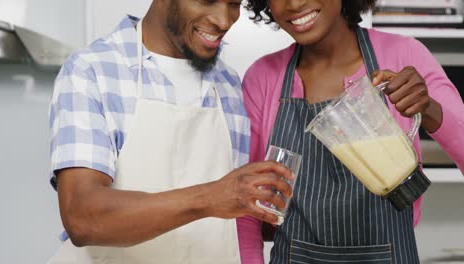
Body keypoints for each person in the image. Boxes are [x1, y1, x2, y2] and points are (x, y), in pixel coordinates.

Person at [47, 0, 295, 263]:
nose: (224, 21)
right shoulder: (92, 71)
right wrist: (212, 196)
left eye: (233, 4)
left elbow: (238, 220)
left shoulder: (228, 84)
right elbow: (83, 218)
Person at [238, 0, 464, 263]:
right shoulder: (263, 78)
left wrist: (428, 109)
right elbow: (246, 208)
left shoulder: (403, 55)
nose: (295, 3)